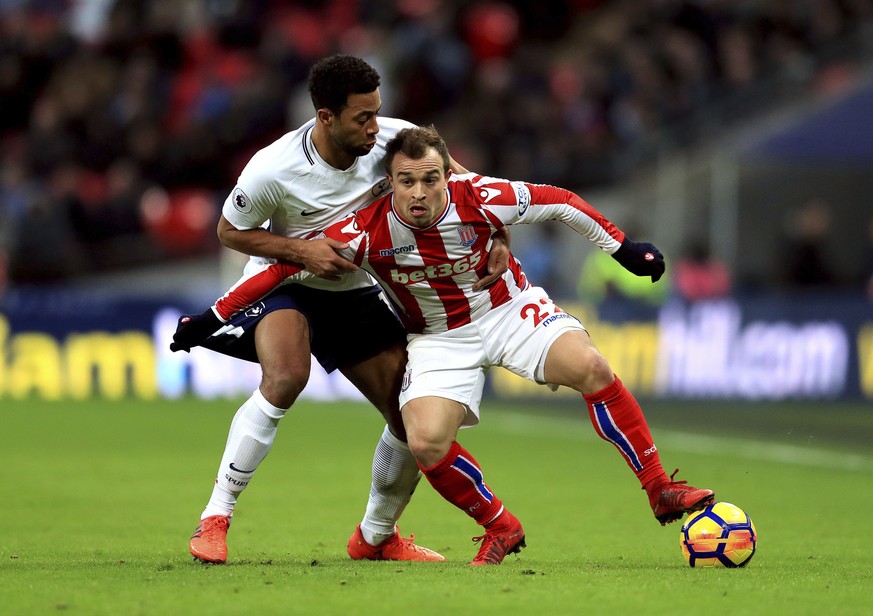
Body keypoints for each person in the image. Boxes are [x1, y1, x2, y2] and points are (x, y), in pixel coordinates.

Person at [177, 126, 715, 565]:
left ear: (445, 174)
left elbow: (563, 203)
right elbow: (281, 270)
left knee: (590, 366)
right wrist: (211, 317)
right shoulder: (364, 229)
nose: (418, 193)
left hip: (507, 310)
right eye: (406, 182)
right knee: (424, 439)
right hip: (438, 337)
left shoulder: (482, 195)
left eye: (429, 180)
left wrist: (622, 249)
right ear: (388, 183)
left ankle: (659, 487)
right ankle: (498, 525)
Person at [170, 56, 511, 564]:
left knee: (409, 412)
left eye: (377, 113)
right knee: (287, 375)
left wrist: (498, 235)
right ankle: (215, 518)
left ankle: (376, 536)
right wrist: (302, 250)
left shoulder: (394, 140)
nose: (375, 128)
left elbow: (467, 192)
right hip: (285, 285)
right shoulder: (273, 168)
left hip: (354, 292)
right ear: (325, 117)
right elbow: (228, 232)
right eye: (362, 118)